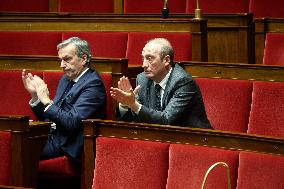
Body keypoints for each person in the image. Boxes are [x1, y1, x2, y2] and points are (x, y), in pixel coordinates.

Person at [22, 37, 106, 161]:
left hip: (68, 145)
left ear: (83, 59)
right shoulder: (66, 79)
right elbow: (50, 118)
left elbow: (71, 123)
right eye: (60, 60)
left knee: (17, 150)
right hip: (52, 136)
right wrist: (35, 96)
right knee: (11, 141)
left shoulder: (93, 84)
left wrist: (45, 100)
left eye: (67, 59)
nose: (62, 65)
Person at [110, 38, 212, 129]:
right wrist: (125, 104)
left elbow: (167, 121)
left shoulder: (183, 81)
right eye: (143, 59)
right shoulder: (142, 79)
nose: (144, 65)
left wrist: (133, 104)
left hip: (195, 141)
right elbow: (134, 118)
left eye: (150, 58)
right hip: (160, 140)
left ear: (166, 60)